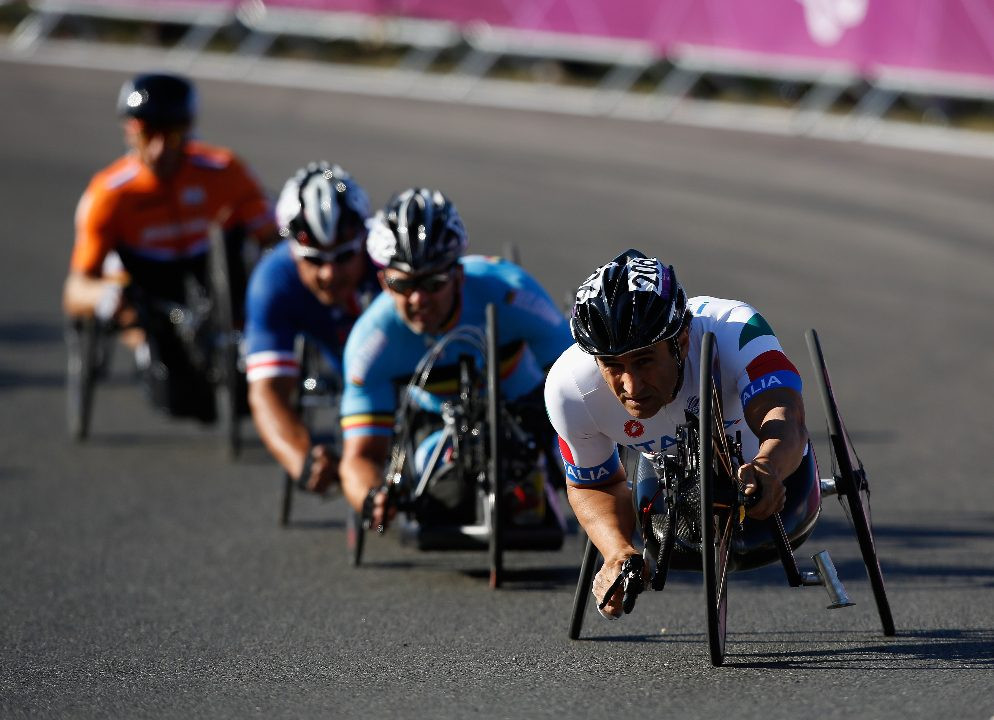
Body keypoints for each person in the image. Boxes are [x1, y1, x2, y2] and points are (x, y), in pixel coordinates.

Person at [544, 249, 808, 618]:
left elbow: (786, 416)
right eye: (613, 365)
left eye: (645, 360)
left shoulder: (736, 327)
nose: (631, 386)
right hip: (668, 490)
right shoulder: (568, 387)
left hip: (775, 474)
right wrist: (616, 551)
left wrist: (768, 465)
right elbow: (592, 484)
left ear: (682, 341)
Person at [339, 187, 573, 529]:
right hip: (438, 423)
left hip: (526, 403)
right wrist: (372, 496)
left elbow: (578, 378)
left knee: (563, 453)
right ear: (384, 283)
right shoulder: (370, 342)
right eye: (404, 285)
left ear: (458, 275)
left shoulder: (510, 291)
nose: (419, 299)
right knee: (441, 491)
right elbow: (359, 456)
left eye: (433, 282)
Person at [62, 72, 276, 422]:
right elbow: (77, 287)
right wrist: (105, 299)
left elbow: (269, 234)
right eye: (149, 135)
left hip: (208, 268)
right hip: (146, 280)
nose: (161, 149)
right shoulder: (109, 194)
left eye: (173, 136)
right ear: (131, 132)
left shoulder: (224, 171)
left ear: (188, 130)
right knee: (179, 400)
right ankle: (152, 349)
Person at [244, 162, 380, 493]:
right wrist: (304, 461)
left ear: (364, 239)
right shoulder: (273, 282)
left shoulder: (387, 260)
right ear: (292, 251)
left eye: (344, 256)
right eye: (315, 259)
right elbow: (267, 391)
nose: (330, 274)